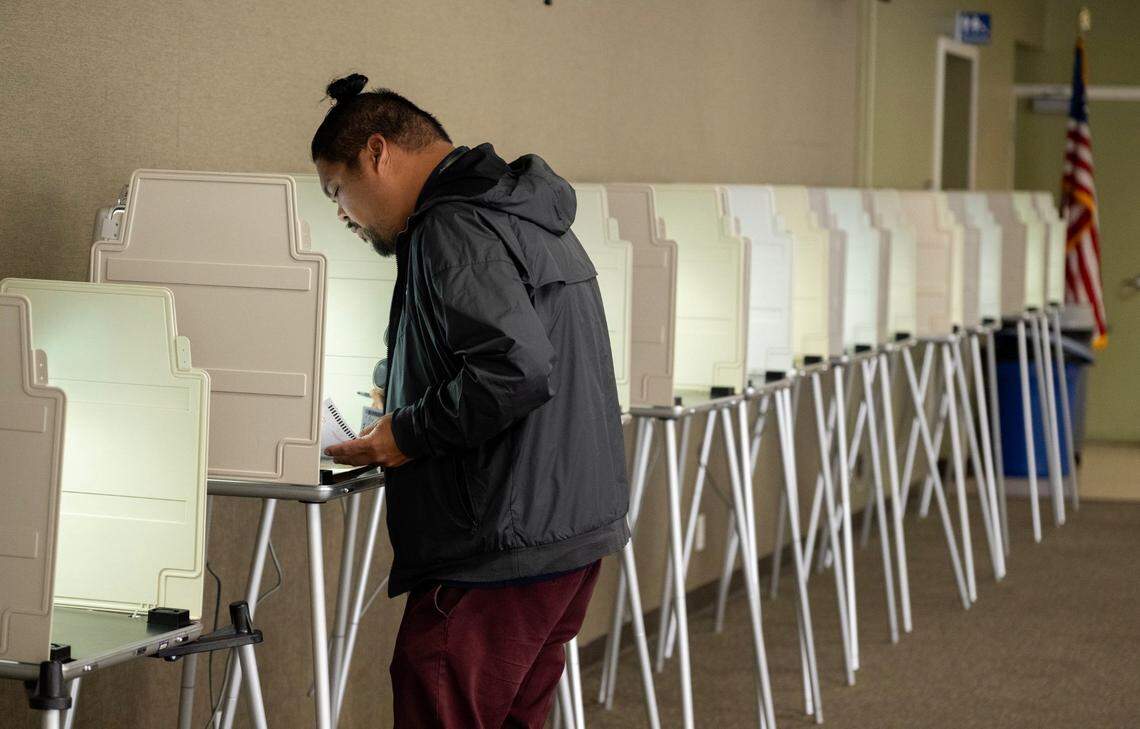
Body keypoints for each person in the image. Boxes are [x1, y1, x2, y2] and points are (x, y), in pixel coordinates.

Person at [315, 73, 629, 728]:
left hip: (500, 540)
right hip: (565, 527)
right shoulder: (516, 209)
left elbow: (514, 368)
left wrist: (405, 431)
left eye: (337, 190)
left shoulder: (450, 227)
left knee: (437, 698)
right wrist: (394, 376)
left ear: (378, 153)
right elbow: (507, 340)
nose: (341, 214)